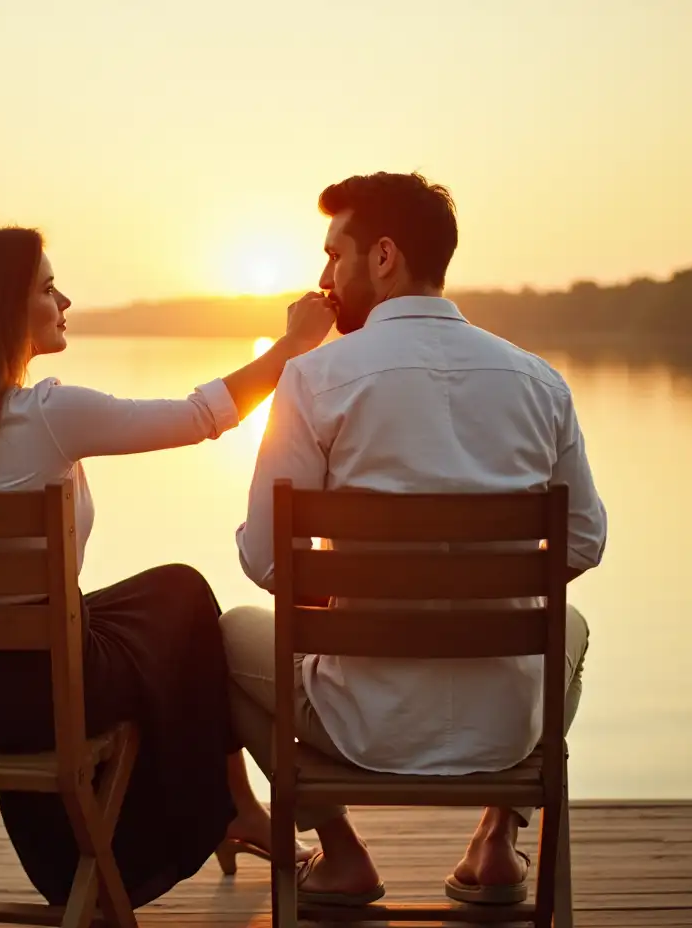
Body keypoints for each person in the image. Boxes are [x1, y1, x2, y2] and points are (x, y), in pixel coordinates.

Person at [0, 225, 333, 907]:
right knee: (186, 597)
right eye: (45, 288)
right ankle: (235, 809)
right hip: (45, 695)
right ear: (3, 310)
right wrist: (293, 348)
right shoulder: (49, 414)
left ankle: (236, 809)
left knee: (163, 597)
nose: (64, 300)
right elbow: (200, 416)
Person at [223, 172, 607, 906]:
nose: (324, 276)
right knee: (576, 630)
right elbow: (582, 543)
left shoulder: (312, 379)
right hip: (506, 726)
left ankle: (338, 851)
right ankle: (499, 841)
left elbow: (265, 559)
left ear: (384, 257)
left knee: (221, 641)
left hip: (359, 723)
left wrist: (348, 593)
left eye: (335, 255)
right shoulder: (539, 382)